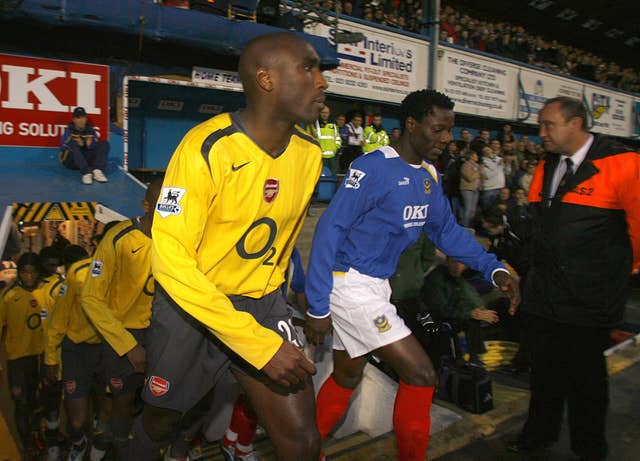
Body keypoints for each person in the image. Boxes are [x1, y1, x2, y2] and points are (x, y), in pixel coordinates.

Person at [128, 32, 326, 461]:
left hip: (261, 304)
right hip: (192, 309)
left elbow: (285, 239)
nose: (322, 81)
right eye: (308, 68)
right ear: (266, 80)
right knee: (160, 423)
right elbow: (170, 260)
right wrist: (254, 344)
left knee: (304, 440)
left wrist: (291, 298)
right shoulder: (205, 147)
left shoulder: (310, 155)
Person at [305, 89, 519, 461]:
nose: (445, 139)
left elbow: (446, 232)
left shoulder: (428, 175)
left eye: (449, 131)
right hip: (349, 285)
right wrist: (318, 304)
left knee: (347, 376)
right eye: (438, 130)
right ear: (412, 124)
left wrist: (493, 267)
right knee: (421, 374)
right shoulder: (372, 167)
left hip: (374, 286)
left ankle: (303, 450)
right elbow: (330, 230)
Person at [508, 97, 640, 460]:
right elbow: (539, 227)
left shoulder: (623, 163)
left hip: (590, 298)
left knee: (586, 381)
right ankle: (538, 435)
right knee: (545, 374)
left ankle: (590, 448)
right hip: (546, 293)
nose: (542, 133)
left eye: (549, 125)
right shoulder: (546, 166)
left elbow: (638, 231)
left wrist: (612, 276)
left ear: (576, 124)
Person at [81, 179, 163, 460]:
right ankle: (118, 446)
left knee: (158, 398)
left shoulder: (178, 240)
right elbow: (91, 298)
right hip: (124, 335)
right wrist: (128, 346)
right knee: (123, 400)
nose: (169, 212)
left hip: (161, 333)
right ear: (146, 205)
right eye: (161, 205)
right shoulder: (118, 238)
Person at [45, 245, 111, 461]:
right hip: (78, 352)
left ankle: (96, 453)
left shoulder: (124, 270)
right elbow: (57, 321)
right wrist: (51, 359)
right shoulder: (76, 275)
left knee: (108, 413)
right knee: (76, 421)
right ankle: (79, 443)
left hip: (108, 349)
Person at [0, 253, 59, 460]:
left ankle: (38, 433)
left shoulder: (46, 292)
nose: (29, 276)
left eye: (33, 272)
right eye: (25, 272)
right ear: (19, 273)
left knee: (41, 400)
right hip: (19, 359)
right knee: (21, 401)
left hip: (42, 356)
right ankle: (27, 443)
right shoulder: (8, 296)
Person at [422, 256, 499, 364]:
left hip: (449, 315)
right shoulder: (436, 279)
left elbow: (470, 296)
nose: (457, 267)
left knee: (474, 319)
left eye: (462, 263)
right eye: (454, 262)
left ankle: (474, 358)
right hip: (430, 319)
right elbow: (440, 309)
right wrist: (470, 313)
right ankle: (458, 359)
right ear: (447, 261)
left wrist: (479, 310)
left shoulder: (459, 279)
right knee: (461, 322)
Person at [59, 107, 110, 185]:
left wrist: (88, 145)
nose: (81, 120)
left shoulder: (91, 130)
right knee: (72, 143)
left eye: (83, 117)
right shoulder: (69, 131)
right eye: (78, 118)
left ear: (86, 119)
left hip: (85, 159)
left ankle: (97, 170)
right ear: (74, 120)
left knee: (104, 144)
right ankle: (86, 173)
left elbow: (94, 147)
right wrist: (78, 144)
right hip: (70, 162)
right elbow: (62, 148)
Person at [313, 105, 341, 175]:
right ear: (319, 113)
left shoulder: (333, 125)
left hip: (332, 157)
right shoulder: (315, 124)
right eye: (323, 112)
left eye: (326, 112)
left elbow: (338, 138)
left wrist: (335, 148)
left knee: (333, 175)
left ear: (329, 113)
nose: (325, 114)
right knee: (319, 176)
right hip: (320, 156)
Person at [459, 150, 482, 227]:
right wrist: (478, 172)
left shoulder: (477, 166)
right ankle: (465, 226)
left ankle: (470, 225)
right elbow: (469, 178)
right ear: (471, 156)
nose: (477, 157)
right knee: (468, 208)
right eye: (475, 155)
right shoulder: (466, 165)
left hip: (476, 189)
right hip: (467, 189)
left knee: (473, 210)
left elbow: (482, 177)